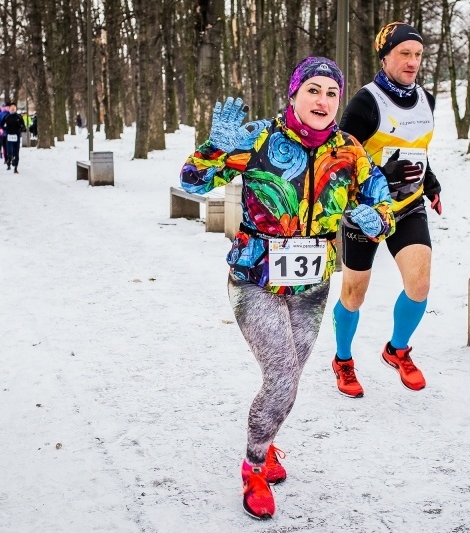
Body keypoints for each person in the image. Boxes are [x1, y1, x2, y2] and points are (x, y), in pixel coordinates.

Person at [180, 57, 395, 520]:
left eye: (331, 93)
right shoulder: (259, 138)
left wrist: (374, 217)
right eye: (313, 90)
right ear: (294, 94)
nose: (322, 100)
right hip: (255, 278)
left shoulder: (349, 151)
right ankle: (254, 466)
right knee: (281, 378)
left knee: (288, 380)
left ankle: (268, 440)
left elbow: (383, 201)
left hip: (313, 285)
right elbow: (190, 182)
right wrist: (213, 148)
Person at [330, 22, 442, 398]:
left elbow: (418, 150)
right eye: (404, 54)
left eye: (418, 55)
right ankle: (343, 360)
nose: (412, 62)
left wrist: (431, 185)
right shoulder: (366, 103)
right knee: (354, 294)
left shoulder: (427, 98)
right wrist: (370, 184)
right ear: (385, 56)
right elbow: (340, 161)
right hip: (366, 212)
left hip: (409, 208)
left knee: (420, 284)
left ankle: (397, 350)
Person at [2, 102, 26, 173]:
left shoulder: (19, 117)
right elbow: (1, 125)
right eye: (11, 107)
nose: (13, 108)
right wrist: (4, 129)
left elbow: (23, 126)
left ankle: (15, 167)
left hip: (17, 136)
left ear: (16, 108)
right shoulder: (6, 117)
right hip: (9, 136)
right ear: (9, 109)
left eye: (14, 107)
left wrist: (22, 128)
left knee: (16, 152)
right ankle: (10, 159)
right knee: (9, 151)